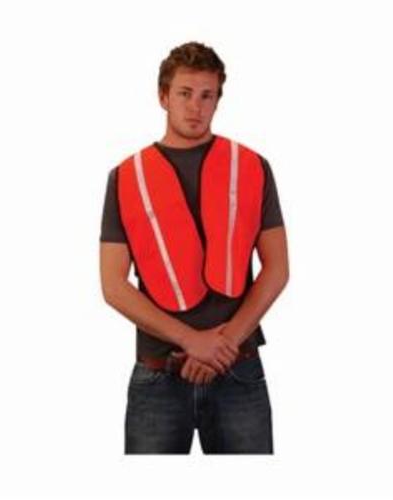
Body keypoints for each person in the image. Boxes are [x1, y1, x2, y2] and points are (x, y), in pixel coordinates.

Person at [99, 41, 289, 454]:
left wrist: (223, 343)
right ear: (163, 96)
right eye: (184, 93)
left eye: (207, 96)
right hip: (158, 376)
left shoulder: (252, 166)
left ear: (218, 100)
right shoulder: (126, 177)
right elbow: (113, 285)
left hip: (239, 370)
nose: (195, 107)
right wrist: (191, 340)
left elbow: (277, 268)